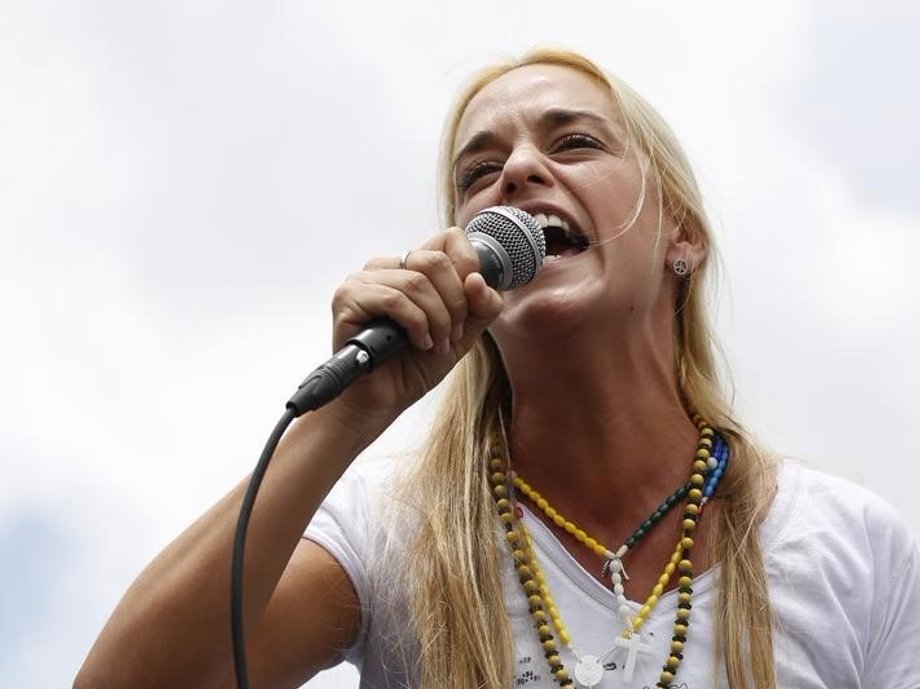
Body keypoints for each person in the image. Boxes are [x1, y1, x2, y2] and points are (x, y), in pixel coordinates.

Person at [74, 48, 920, 689]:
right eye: (479, 173)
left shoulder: (847, 542)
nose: (515, 171)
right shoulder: (392, 529)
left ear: (682, 237)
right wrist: (345, 418)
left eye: (575, 142)